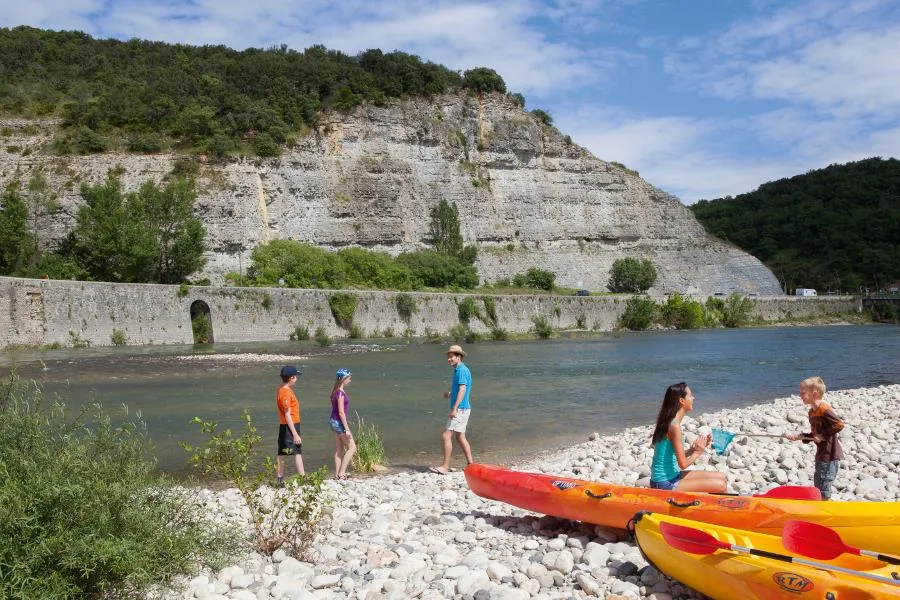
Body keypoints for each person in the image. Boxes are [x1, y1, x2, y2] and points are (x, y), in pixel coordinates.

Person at [649, 382, 727, 492]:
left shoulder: (670, 422)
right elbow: (683, 464)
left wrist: (692, 450)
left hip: (672, 476)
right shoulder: (674, 426)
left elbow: (672, 456)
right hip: (664, 483)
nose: (693, 398)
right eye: (690, 395)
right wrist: (698, 452)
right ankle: (721, 507)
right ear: (682, 401)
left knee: (722, 477)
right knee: (721, 486)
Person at [785, 376, 844, 500]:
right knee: (818, 482)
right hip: (821, 454)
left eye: (803, 393)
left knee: (824, 484)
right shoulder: (812, 412)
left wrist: (822, 436)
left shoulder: (824, 409)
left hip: (830, 455)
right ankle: (819, 505)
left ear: (814, 394)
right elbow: (815, 434)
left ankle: (823, 510)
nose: (800, 395)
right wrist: (801, 437)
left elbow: (839, 424)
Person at [430, 344, 474, 474]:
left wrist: (454, 408)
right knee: (460, 436)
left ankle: (444, 467)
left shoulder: (461, 370)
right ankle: (471, 464)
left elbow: (463, 389)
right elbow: (460, 389)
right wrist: (450, 394)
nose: (449, 359)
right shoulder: (460, 370)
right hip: (464, 408)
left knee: (446, 435)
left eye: (451, 357)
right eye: (448, 357)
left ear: (459, 357)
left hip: (460, 409)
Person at [275, 365, 305, 486]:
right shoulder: (285, 392)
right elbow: (287, 414)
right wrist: (295, 434)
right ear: (291, 377)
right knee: (296, 452)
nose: (297, 378)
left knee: (281, 453)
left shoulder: (282, 389)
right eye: (296, 376)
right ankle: (303, 478)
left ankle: (280, 479)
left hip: (285, 425)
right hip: (290, 425)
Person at [329, 368, 357, 480]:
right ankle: (342, 473)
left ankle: (337, 475)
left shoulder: (335, 391)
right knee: (352, 447)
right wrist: (347, 429)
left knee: (338, 449)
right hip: (339, 422)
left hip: (333, 421)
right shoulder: (340, 393)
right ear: (343, 379)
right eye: (349, 378)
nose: (350, 380)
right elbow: (341, 412)